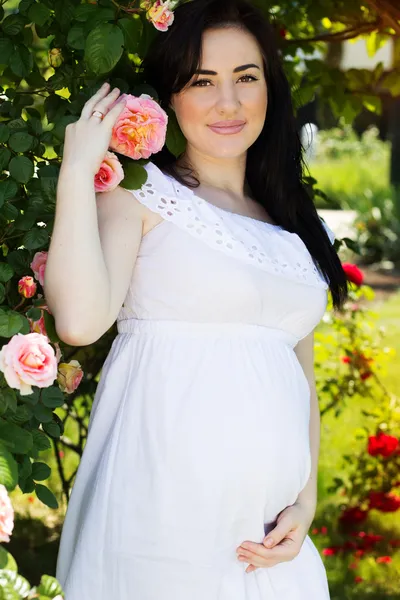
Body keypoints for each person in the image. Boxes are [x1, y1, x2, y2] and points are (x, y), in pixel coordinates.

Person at [45, 0, 349, 598]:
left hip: (270, 541)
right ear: (170, 96)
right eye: (202, 81)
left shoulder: (293, 226)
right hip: (161, 520)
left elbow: (300, 378)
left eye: (246, 78)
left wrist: (305, 501)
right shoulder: (141, 198)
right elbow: (80, 321)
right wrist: (77, 172)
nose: (228, 103)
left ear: (271, 88)